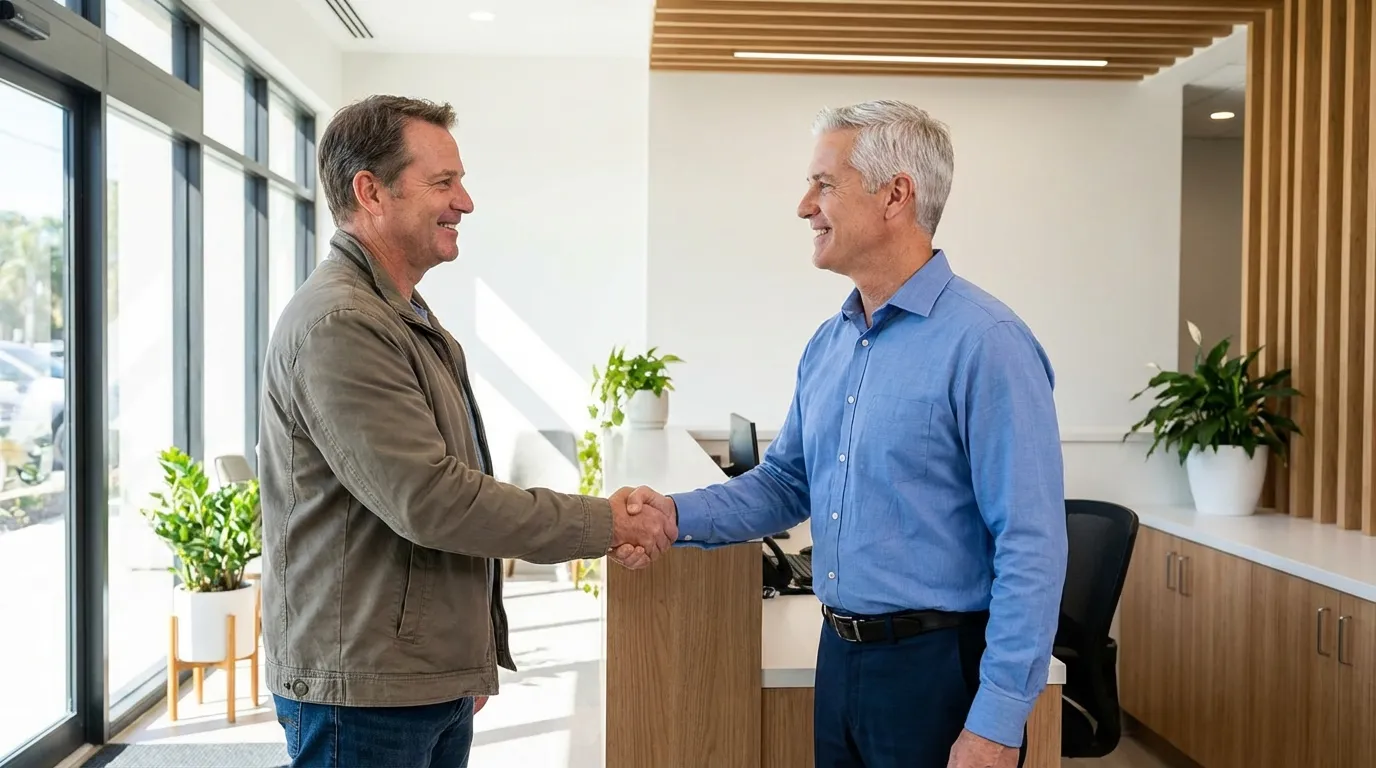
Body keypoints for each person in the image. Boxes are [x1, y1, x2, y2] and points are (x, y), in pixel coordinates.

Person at [618, 100, 1068, 768]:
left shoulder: (987, 344)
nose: (805, 206)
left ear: (895, 195)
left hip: (939, 674)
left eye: (824, 184)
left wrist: (997, 723)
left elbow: (1031, 543)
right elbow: (786, 483)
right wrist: (673, 515)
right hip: (841, 659)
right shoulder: (830, 344)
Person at [256, 94, 674, 768]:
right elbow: (434, 500)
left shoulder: (401, 315)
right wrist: (608, 523)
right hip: (363, 697)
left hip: (413, 681)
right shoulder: (344, 325)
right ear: (372, 192)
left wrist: (464, 659)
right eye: (443, 183)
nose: (466, 202)